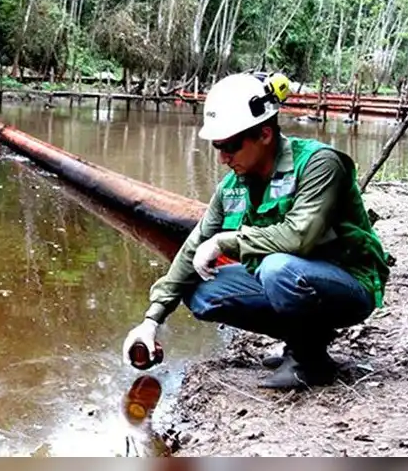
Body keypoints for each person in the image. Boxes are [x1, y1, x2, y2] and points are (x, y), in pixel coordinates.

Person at [122, 72, 391, 390]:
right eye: (217, 147)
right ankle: (300, 341)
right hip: (289, 278)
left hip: (349, 283)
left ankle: (310, 361)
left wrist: (225, 241)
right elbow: (193, 247)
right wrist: (152, 320)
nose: (223, 158)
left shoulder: (320, 165)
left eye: (231, 146)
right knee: (199, 292)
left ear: (265, 134)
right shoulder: (231, 187)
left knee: (278, 268)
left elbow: (297, 238)